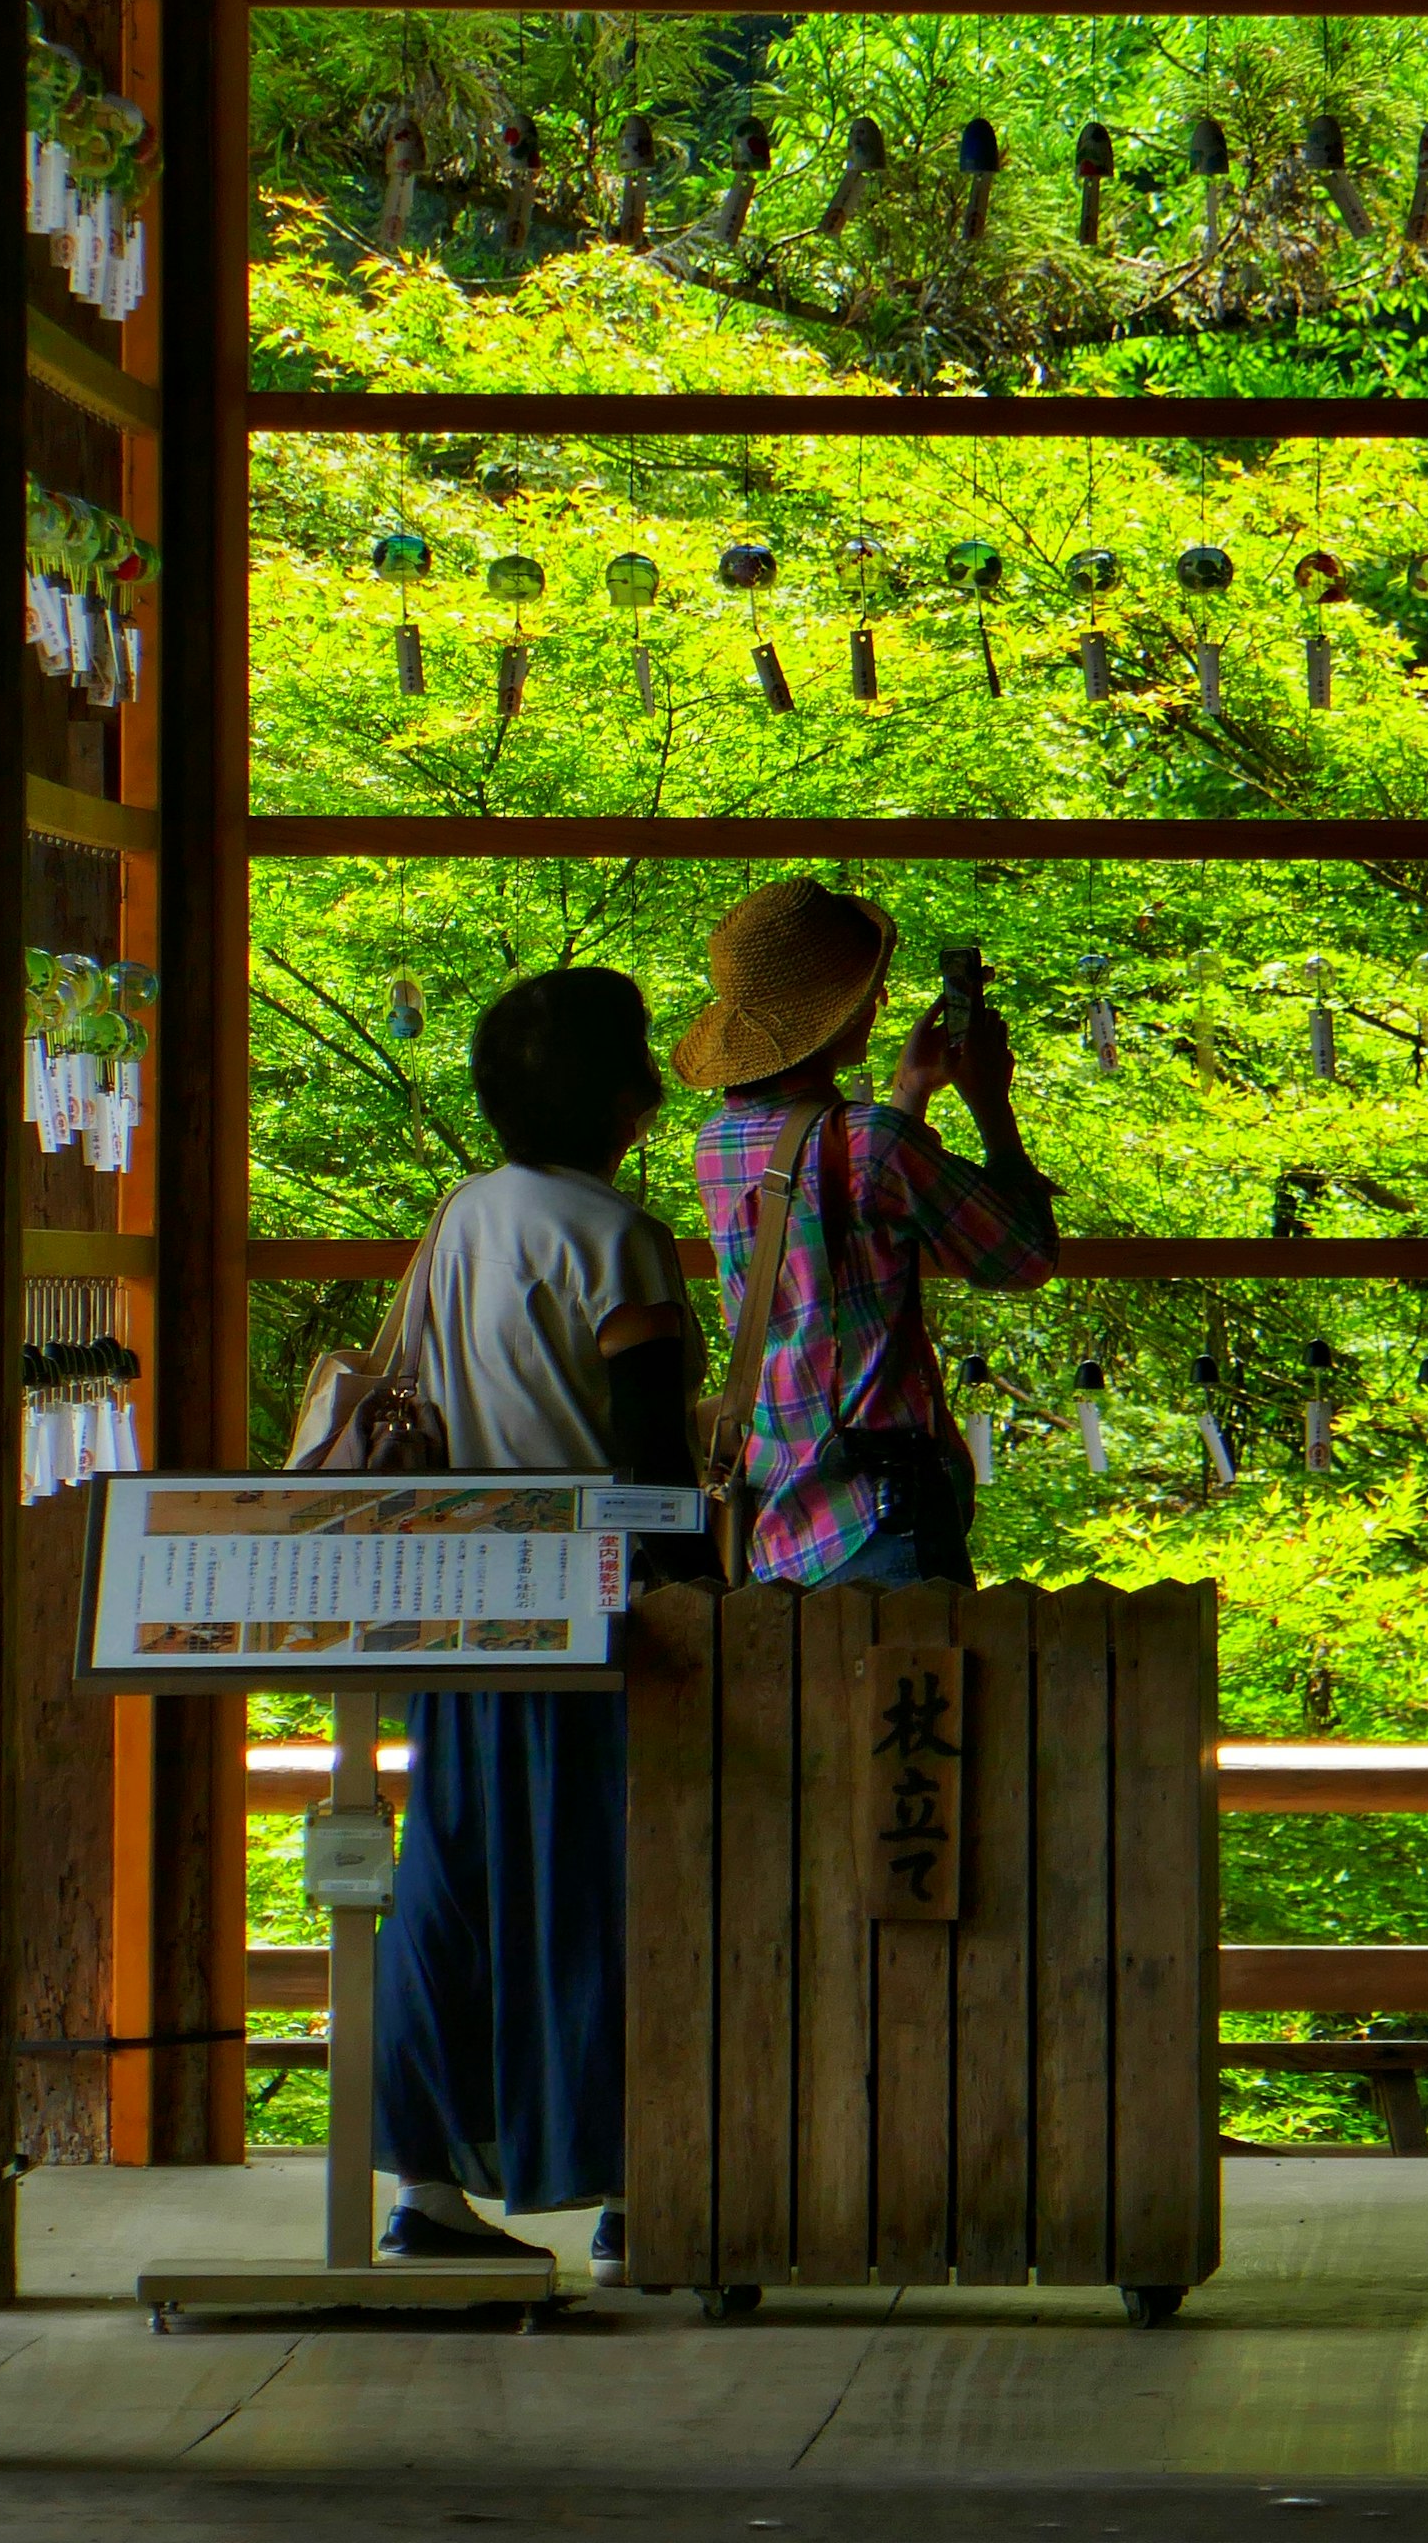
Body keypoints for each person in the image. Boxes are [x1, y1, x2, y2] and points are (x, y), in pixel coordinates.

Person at [371, 965, 698, 2284]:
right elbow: (651, 1453)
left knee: (446, 1892)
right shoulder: (618, 1237)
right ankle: (631, 2191)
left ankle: (425, 2189)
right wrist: (692, 1597)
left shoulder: (465, 1215)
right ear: (620, 1095)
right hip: (590, 1602)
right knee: (610, 1896)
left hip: (462, 1602)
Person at [675, 880, 1058, 1587]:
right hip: (884, 1517)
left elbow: (837, 1250)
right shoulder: (874, 1145)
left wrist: (910, 1092)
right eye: (867, 991)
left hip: (785, 1517)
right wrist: (989, 1102)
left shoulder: (717, 1145)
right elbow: (1023, 1255)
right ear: (834, 1016)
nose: (879, 1003)